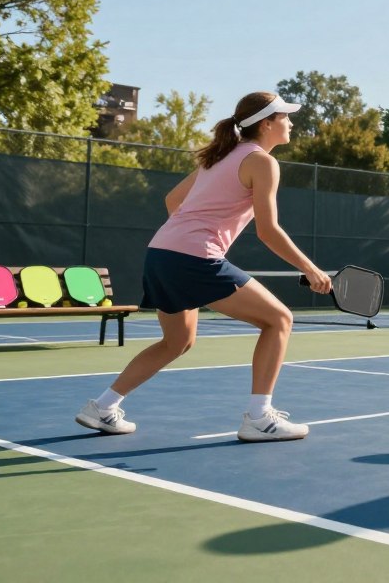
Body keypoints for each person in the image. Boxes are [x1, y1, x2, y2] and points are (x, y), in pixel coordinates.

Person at [75, 91, 332, 442]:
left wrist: (190, 238)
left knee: (177, 341)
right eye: (285, 116)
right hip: (191, 258)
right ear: (268, 123)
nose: (291, 122)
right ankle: (259, 418)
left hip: (160, 253)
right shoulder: (262, 162)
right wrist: (311, 269)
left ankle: (102, 407)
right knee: (279, 320)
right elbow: (268, 230)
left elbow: (173, 200)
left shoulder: (219, 156)